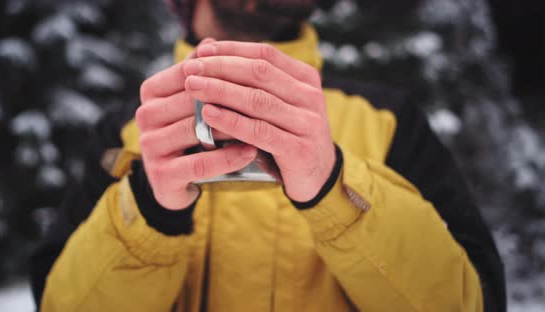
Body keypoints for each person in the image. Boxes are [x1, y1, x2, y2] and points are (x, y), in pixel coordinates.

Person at [31, 0, 506, 311]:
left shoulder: (390, 118)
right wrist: (148, 208)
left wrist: (335, 185)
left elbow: (475, 302)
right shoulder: (128, 130)